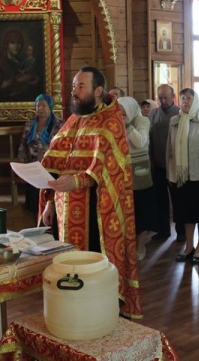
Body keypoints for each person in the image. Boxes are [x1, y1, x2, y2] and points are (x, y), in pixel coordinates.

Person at [40, 66, 141, 319]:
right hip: (64, 210)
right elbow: (55, 163)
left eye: (80, 86)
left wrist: (77, 182)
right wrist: (50, 203)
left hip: (97, 213)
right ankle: (71, 312)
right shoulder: (74, 119)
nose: (74, 91)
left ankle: (98, 314)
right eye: (73, 86)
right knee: (66, 264)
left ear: (98, 90)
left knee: (93, 269)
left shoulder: (111, 121)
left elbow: (107, 168)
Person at [167, 89, 199, 264]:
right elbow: (169, 150)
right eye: (182, 98)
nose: (185, 101)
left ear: (195, 100)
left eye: (189, 98)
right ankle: (189, 246)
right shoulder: (174, 121)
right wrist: (170, 173)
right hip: (181, 177)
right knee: (186, 214)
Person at [117, 96, 157, 261]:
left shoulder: (142, 121)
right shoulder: (116, 121)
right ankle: (127, 244)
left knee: (141, 210)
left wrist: (127, 125)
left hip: (140, 171)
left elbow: (140, 142)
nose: (120, 114)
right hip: (122, 170)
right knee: (126, 210)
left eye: (123, 111)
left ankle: (140, 244)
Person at [149, 84, 184, 242]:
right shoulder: (153, 114)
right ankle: (163, 230)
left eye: (165, 97)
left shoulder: (180, 114)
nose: (162, 100)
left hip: (175, 166)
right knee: (159, 200)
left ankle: (181, 232)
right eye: (159, 97)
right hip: (157, 165)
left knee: (178, 201)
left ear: (173, 97)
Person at [17, 94, 63, 215]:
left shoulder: (58, 124)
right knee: (33, 200)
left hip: (50, 165)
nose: (40, 108)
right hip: (33, 164)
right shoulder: (30, 124)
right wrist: (22, 164)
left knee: (48, 195)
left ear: (50, 106)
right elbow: (23, 144)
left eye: (43, 105)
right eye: (38, 105)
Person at [0, 29, 40, 103]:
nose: (16, 46)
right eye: (13, 43)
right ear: (7, 44)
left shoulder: (22, 62)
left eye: (19, 43)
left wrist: (34, 79)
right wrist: (3, 87)